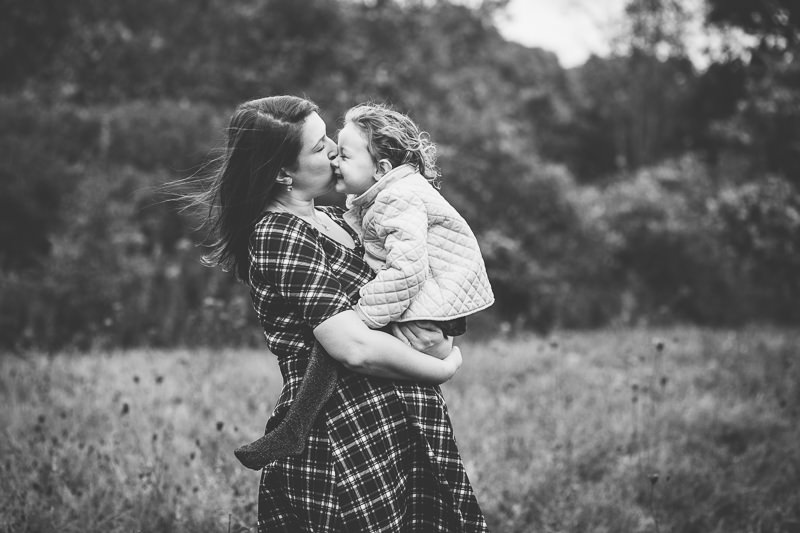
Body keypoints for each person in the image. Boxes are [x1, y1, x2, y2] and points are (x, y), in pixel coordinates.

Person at [193, 95, 489, 532]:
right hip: (345, 436)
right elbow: (351, 346)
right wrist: (441, 369)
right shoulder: (277, 234)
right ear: (281, 172)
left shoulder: (340, 217)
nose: (333, 149)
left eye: (329, 137)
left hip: (399, 427)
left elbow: (414, 288)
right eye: (317, 148)